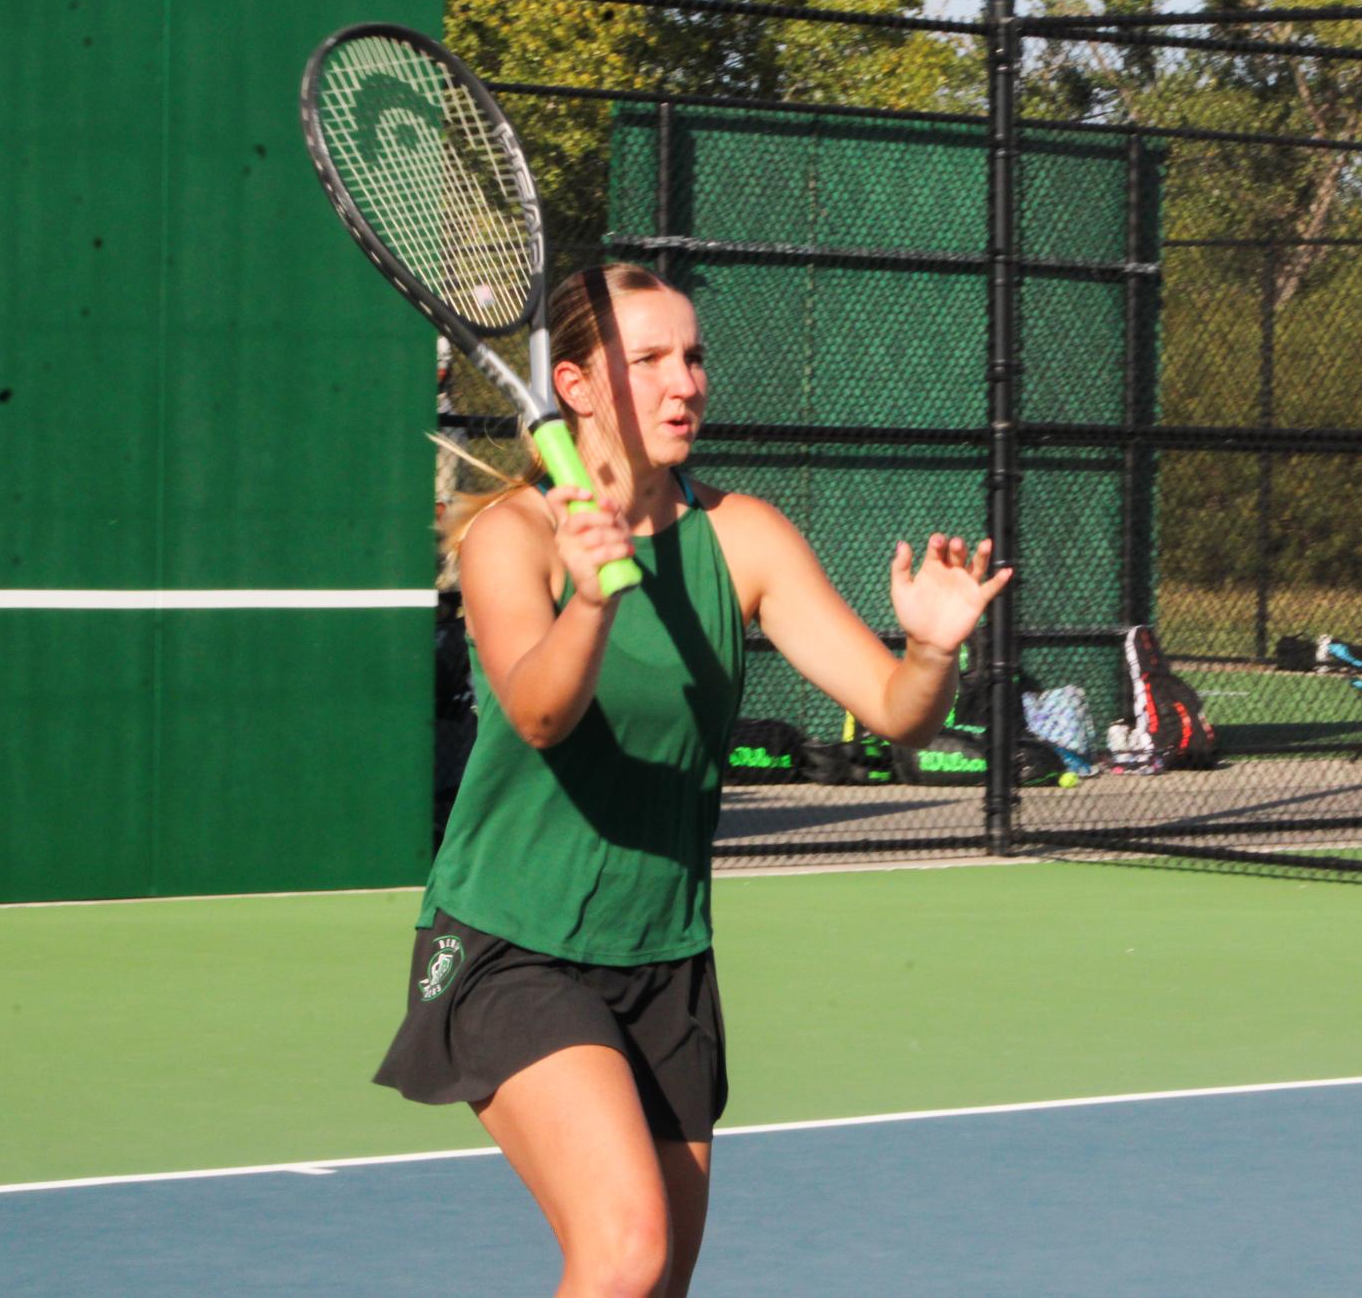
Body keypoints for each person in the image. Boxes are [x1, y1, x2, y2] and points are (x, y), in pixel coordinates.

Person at [374, 263, 1010, 1297]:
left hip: (666, 956)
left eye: (695, 355)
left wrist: (932, 648)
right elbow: (538, 712)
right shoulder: (513, 537)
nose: (686, 382)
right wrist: (593, 597)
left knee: (659, 1278)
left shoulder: (744, 537)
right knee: (624, 1250)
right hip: (511, 943)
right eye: (651, 359)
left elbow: (897, 710)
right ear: (575, 387)